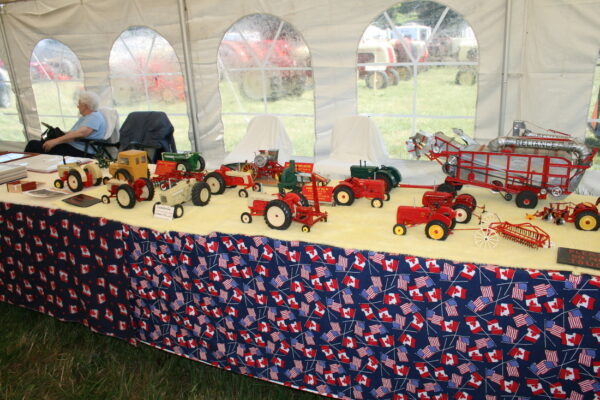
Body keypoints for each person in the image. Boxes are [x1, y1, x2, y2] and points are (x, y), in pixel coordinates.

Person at [24, 90, 107, 156]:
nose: (77, 106)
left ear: (85, 105)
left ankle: (26, 167)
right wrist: (58, 133)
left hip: (79, 151)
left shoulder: (94, 117)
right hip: (73, 147)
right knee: (35, 144)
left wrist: (55, 141)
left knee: (33, 145)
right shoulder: (86, 117)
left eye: (79, 104)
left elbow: (81, 133)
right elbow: (74, 133)